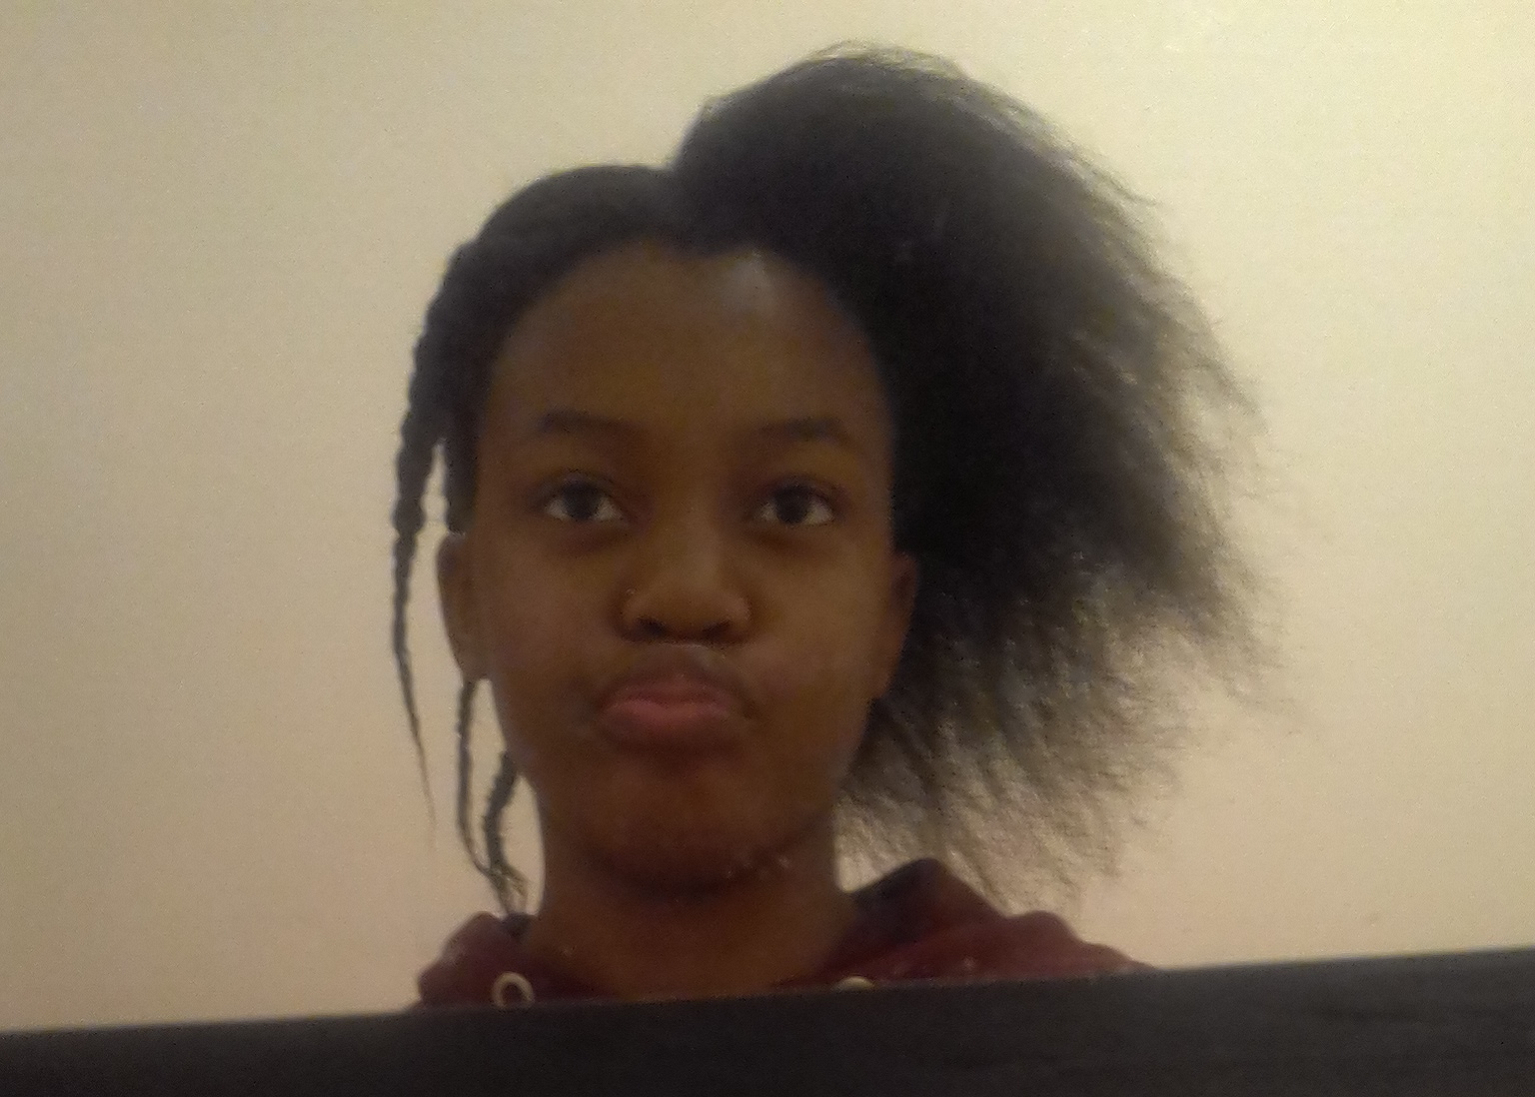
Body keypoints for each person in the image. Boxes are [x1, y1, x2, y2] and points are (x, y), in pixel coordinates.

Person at [392, 47, 1256, 1006]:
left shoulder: (1101, 1051)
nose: (686, 593)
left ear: (890, 618)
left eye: (790, 505)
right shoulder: (381, 1072)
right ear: (464, 601)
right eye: (581, 501)